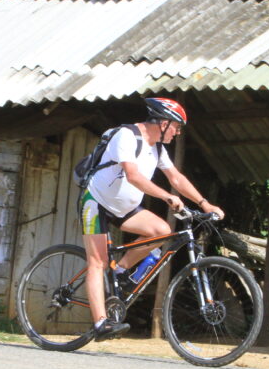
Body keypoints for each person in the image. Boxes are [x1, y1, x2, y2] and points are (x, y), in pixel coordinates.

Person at [81, 97, 224, 339]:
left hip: (125, 208)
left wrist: (204, 203)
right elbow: (133, 176)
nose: (177, 133)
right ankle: (100, 323)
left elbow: (176, 178)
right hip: (97, 203)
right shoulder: (126, 136)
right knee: (98, 262)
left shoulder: (157, 148)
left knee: (162, 230)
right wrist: (167, 197)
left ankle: (120, 271)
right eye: (177, 127)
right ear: (164, 122)